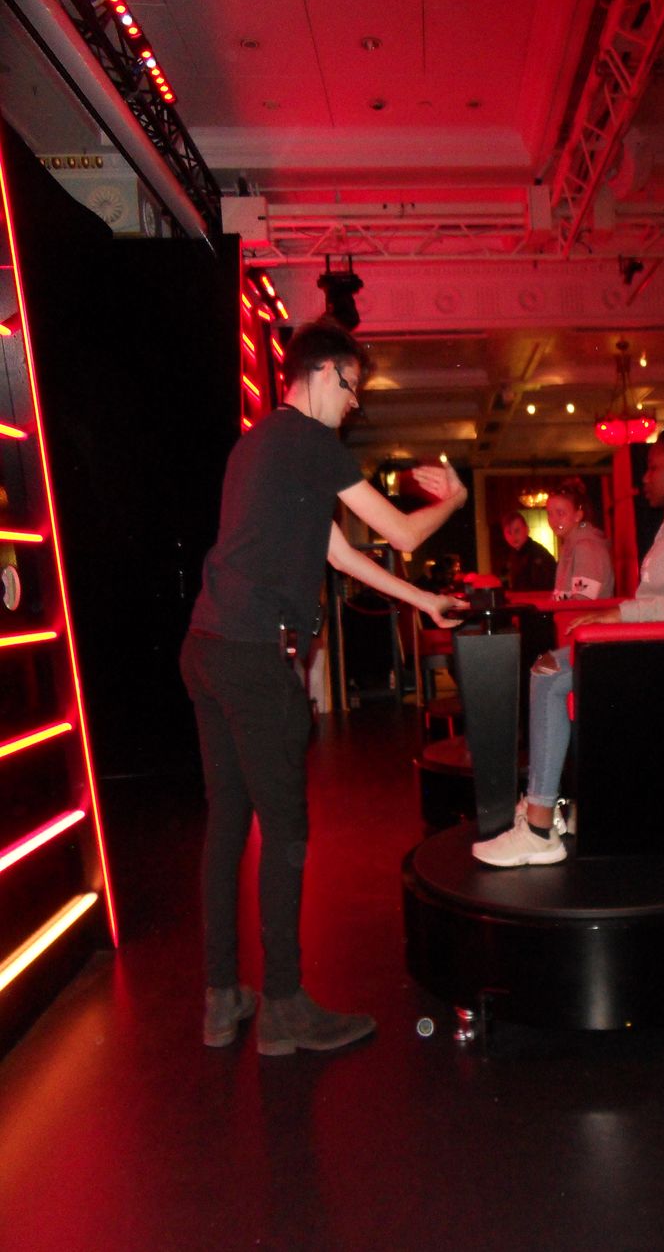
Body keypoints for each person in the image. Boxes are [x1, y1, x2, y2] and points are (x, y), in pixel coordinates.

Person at [181, 317, 467, 1055]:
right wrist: (454, 501)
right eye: (353, 387)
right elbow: (403, 534)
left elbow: (339, 552)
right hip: (255, 656)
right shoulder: (310, 442)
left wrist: (421, 600)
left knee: (226, 822)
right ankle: (283, 1007)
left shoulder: (256, 446)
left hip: (207, 647)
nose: (354, 403)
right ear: (325, 372)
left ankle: (221, 998)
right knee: (285, 833)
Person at [472, 419, 664, 868]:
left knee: (548, 672)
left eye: (654, 467)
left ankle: (539, 828)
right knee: (550, 666)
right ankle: (565, 809)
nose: (645, 477)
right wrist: (620, 618)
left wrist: (620, 616)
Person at [546, 477, 614, 600]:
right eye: (549, 514)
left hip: (586, 613)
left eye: (560, 513)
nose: (553, 520)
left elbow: (582, 599)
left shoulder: (587, 549)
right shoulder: (570, 545)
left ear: (577, 515)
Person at [501, 511, 556, 591]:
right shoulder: (509, 556)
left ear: (527, 529)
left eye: (517, 531)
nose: (513, 536)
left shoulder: (539, 554)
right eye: (509, 533)